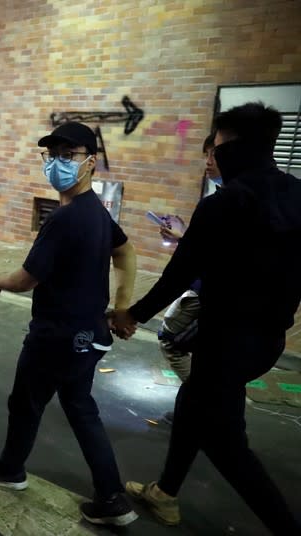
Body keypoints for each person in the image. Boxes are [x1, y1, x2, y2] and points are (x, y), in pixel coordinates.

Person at [115, 102, 301, 534]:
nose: (211, 156)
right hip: (268, 341)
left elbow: (178, 272)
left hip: (225, 341)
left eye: (216, 146)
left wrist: (132, 316)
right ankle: (165, 494)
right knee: (195, 403)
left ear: (234, 146)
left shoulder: (226, 203)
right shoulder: (295, 194)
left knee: (226, 444)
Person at [0, 122, 139, 527]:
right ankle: (113, 497)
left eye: (69, 154)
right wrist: (121, 306)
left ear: (91, 162)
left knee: (26, 402)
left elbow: (27, 278)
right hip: (88, 336)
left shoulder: (63, 220)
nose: (58, 163)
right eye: (53, 155)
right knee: (80, 408)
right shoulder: (96, 212)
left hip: (56, 336)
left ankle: (10, 470)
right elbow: (127, 252)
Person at [156, 134, 220, 424]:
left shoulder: (228, 202)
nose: (207, 162)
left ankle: (199, 406)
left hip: (205, 290)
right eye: (207, 154)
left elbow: (213, 257)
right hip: (200, 287)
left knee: (171, 339)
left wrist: (133, 314)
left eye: (214, 155)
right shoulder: (218, 197)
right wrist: (184, 237)